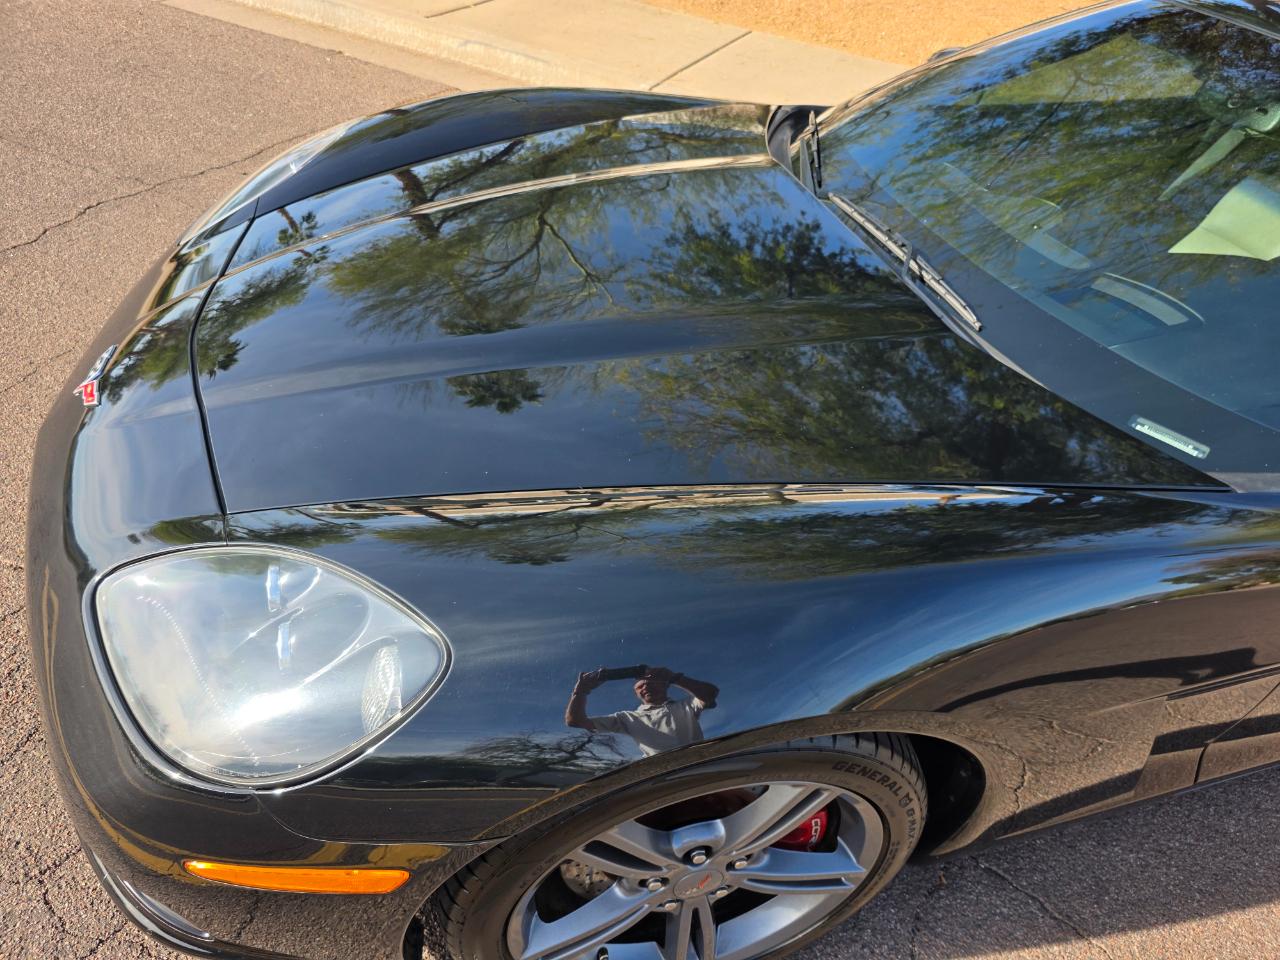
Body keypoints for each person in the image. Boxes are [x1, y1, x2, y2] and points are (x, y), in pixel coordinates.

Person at [565, 665, 719, 757]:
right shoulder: (627, 717)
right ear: (636, 694)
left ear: (666, 686)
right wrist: (580, 692)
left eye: (651, 683)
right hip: (658, 775)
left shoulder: (687, 704)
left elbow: (710, 694)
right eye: (640, 686)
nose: (645, 687)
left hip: (699, 765)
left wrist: (675, 677)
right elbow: (576, 721)